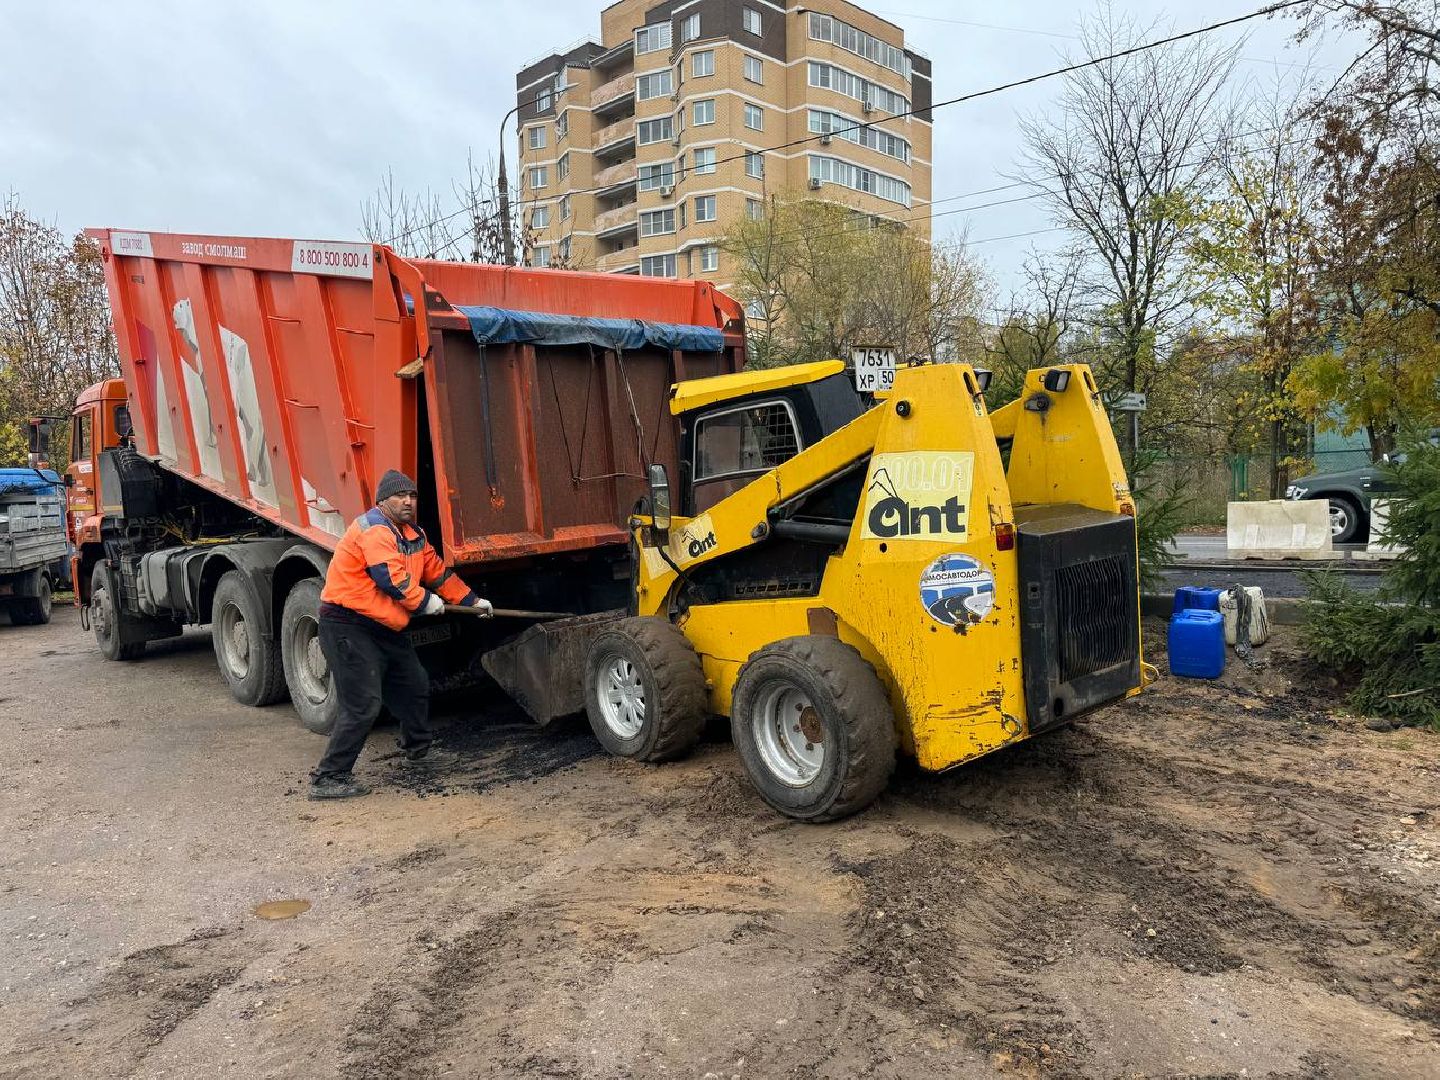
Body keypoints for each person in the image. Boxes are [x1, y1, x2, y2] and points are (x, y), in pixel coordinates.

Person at [309, 469, 491, 800]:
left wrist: (473, 602)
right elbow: (390, 580)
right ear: (383, 501)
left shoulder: (413, 535)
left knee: (414, 684)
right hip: (347, 623)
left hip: (384, 627)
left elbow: (439, 575)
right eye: (400, 497)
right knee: (364, 703)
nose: (408, 502)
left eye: (412, 496)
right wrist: (426, 603)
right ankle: (329, 777)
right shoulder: (374, 529)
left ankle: (418, 753)